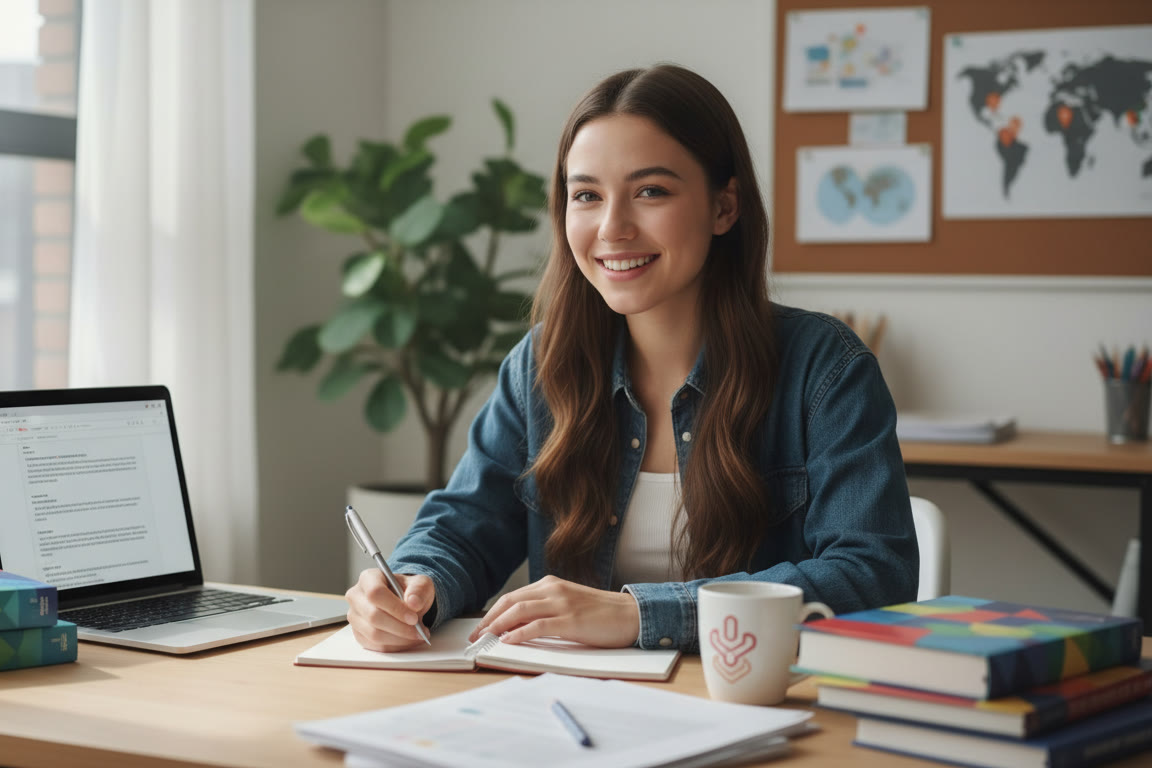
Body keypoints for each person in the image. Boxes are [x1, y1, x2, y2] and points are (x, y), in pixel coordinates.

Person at [345, 63, 918, 653]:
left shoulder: (825, 369)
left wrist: (639, 615)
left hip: (754, 705)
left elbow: (874, 575)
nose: (612, 228)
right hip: (575, 708)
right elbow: (464, 526)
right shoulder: (541, 365)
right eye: (587, 195)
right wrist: (414, 586)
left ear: (725, 207)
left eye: (650, 191)